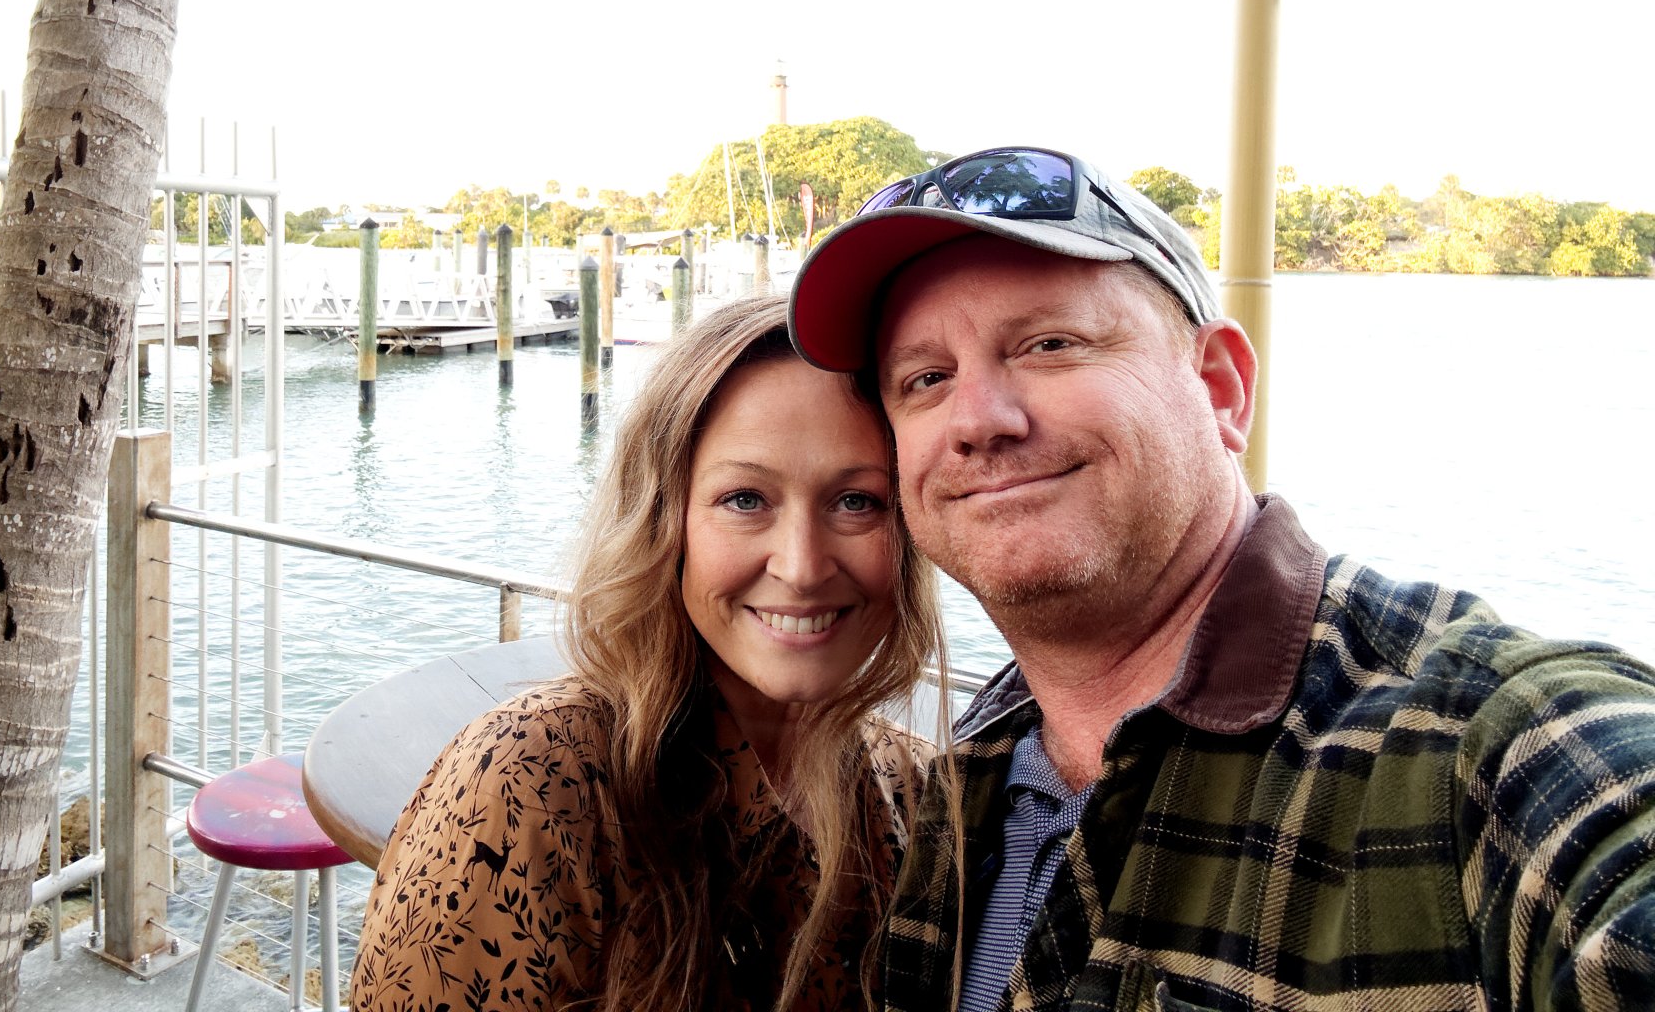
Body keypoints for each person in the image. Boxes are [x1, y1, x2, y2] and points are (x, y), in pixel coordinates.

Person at [786, 145, 1655, 1012]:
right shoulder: (965, 779)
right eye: (926, 379)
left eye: (1051, 345)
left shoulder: (1484, 751)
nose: (978, 420)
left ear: (1221, 388)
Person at [349, 295, 945, 1011]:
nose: (802, 566)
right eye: (745, 499)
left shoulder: (918, 790)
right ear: (665, 521)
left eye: (858, 502)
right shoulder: (534, 783)